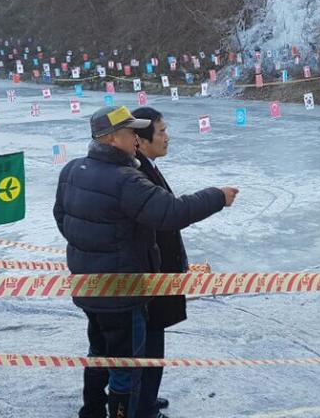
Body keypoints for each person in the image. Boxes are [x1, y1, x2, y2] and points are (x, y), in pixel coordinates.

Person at [54, 105, 238, 418]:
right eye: (129, 132)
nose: (135, 138)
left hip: (88, 288)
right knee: (127, 367)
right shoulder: (125, 179)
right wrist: (217, 196)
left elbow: (62, 218)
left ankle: (93, 412)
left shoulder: (72, 170)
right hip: (122, 293)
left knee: (98, 354)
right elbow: (172, 213)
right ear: (113, 138)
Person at [130, 107, 184, 418]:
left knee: (153, 345)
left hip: (157, 277)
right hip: (149, 280)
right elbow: (171, 213)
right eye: (161, 132)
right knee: (147, 349)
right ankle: (143, 408)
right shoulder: (138, 175)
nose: (167, 137)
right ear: (141, 140)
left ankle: (146, 400)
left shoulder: (147, 166)